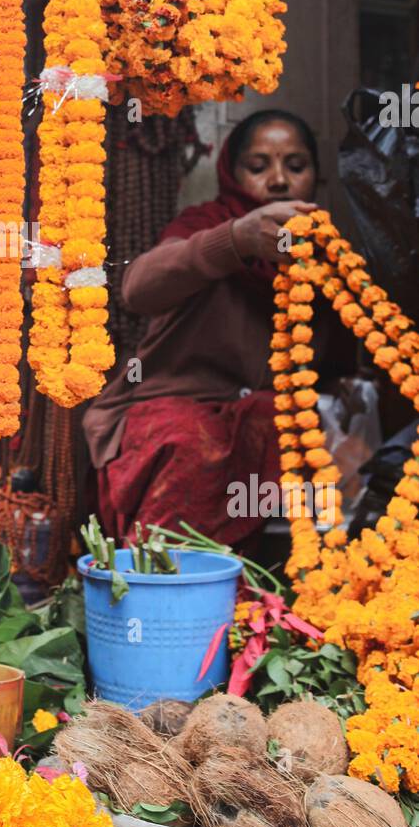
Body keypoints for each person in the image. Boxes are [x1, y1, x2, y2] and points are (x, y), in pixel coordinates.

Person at [84, 110, 356, 549]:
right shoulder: (204, 226)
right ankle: (157, 572)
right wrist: (235, 241)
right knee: (190, 436)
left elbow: (339, 364)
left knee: (279, 419)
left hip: (257, 424)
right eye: (259, 165)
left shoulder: (326, 254)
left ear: (316, 178)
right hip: (165, 409)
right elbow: (137, 289)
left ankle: (234, 575)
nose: (279, 180)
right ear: (231, 172)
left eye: (296, 165)